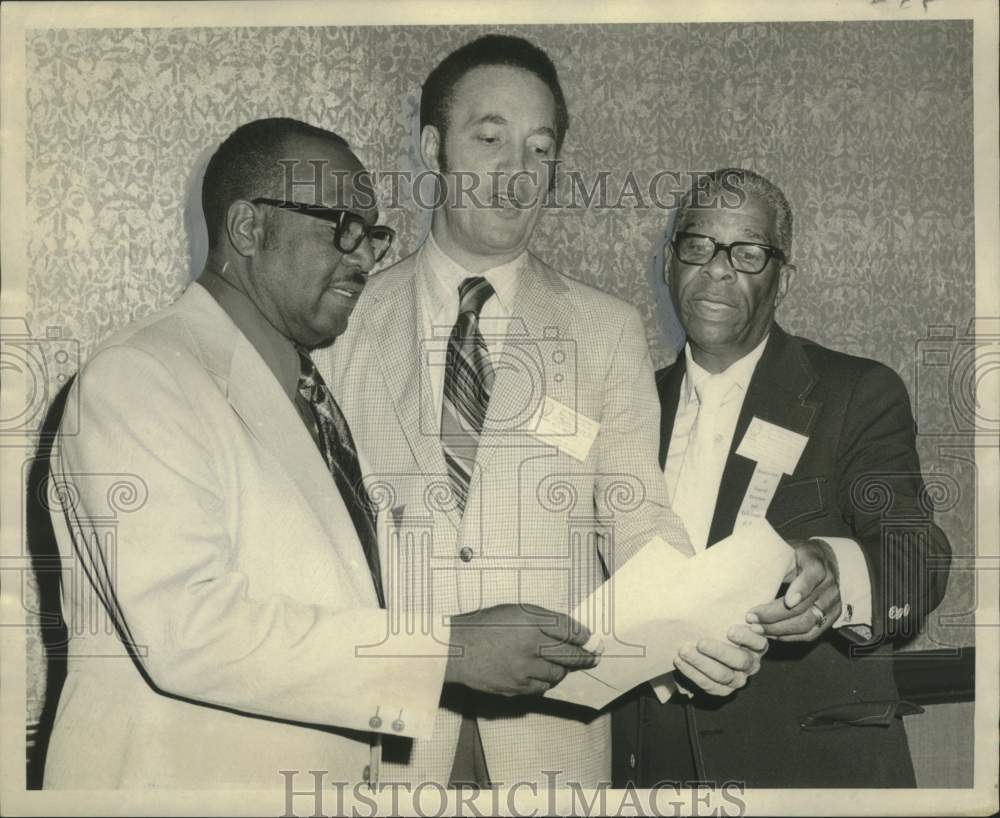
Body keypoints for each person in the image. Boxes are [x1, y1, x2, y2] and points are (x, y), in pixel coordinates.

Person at [43, 117, 598, 789]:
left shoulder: (313, 393)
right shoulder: (141, 376)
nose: (365, 259)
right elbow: (185, 630)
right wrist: (449, 650)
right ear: (248, 229)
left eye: (372, 235)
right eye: (342, 228)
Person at [314, 37, 768, 789]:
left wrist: (697, 620)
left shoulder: (605, 328)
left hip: (550, 744)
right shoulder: (347, 317)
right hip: (380, 738)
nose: (515, 173)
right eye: (489, 140)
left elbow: (636, 516)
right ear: (435, 147)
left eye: (539, 149)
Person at [612, 168, 952, 788]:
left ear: (783, 278)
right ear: (669, 262)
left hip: (808, 772)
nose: (718, 269)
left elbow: (916, 556)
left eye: (748, 251)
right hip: (650, 770)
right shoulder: (629, 405)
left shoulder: (855, 393)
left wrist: (836, 568)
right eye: (699, 245)